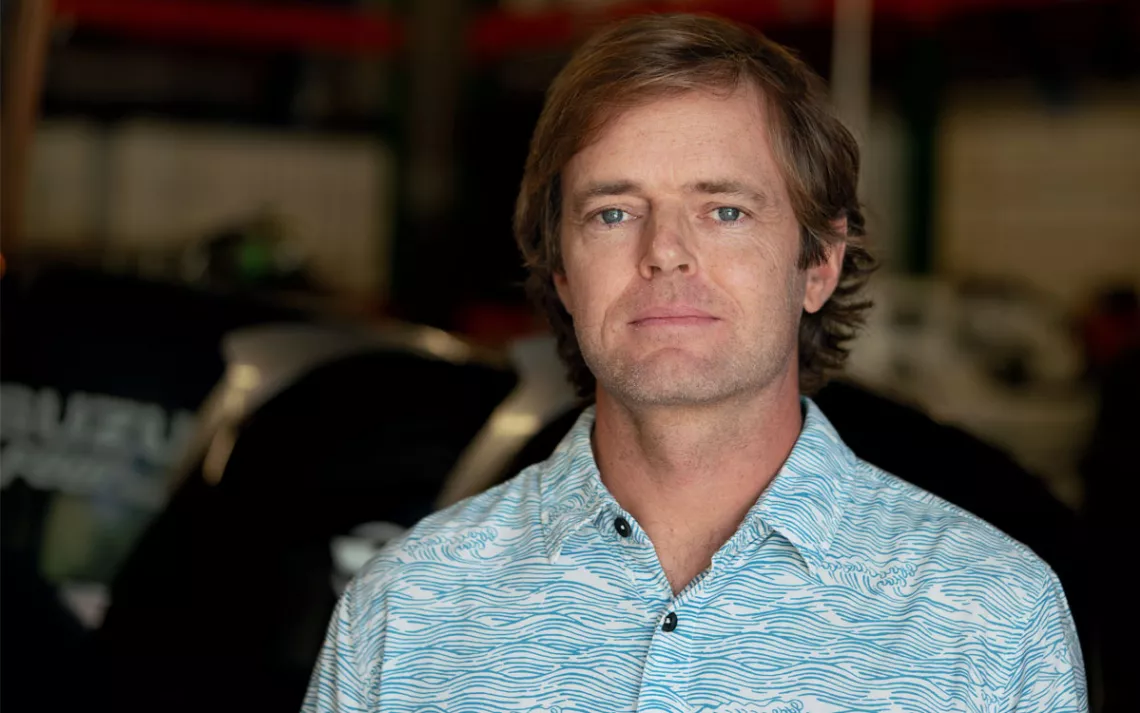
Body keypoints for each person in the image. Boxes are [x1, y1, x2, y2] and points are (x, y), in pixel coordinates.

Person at [304, 14, 1086, 712]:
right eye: (614, 212)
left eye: (725, 210)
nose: (666, 252)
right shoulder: (405, 608)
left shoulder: (990, 618)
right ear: (563, 271)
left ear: (819, 262)